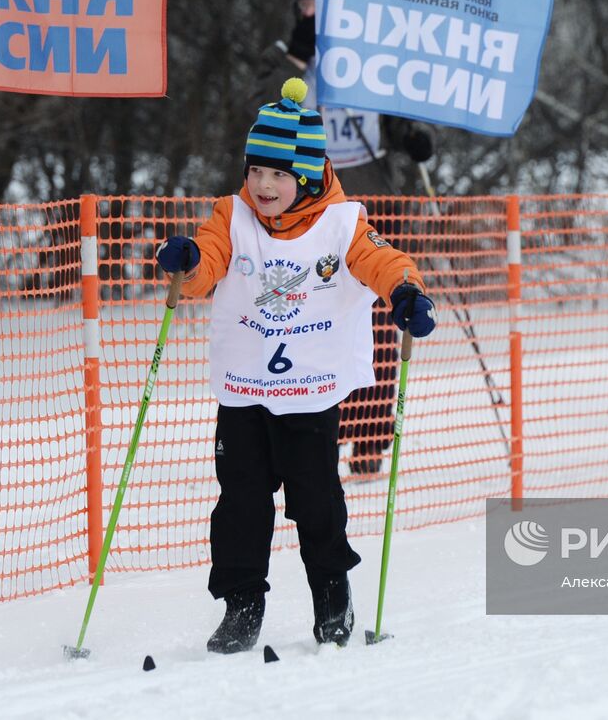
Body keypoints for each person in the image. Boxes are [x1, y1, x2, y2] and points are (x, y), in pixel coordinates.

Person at [154, 78, 437, 653]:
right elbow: (209, 261)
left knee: (315, 499)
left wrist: (406, 291)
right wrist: (187, 263)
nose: (263, 184)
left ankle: (332, 592)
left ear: (305, 176)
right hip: (244, 387)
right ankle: (242, 604)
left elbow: (382, 261)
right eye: (257, 169)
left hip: (310, 391)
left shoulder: (342, 222)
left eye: (278, 174)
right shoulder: (231, 217)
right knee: (240, 501)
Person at [270, 0, 436, 477]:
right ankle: (320, 428)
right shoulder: (290, 65)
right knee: (311, 319)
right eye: (307, 7)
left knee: (379, 325)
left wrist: (415, 138)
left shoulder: (371, 62)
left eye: (323, 8)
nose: (314, 17)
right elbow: (259, 109)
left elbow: (401, 113)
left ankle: (370, 435)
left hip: (374, 199)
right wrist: (295, 56)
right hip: (311, 210)